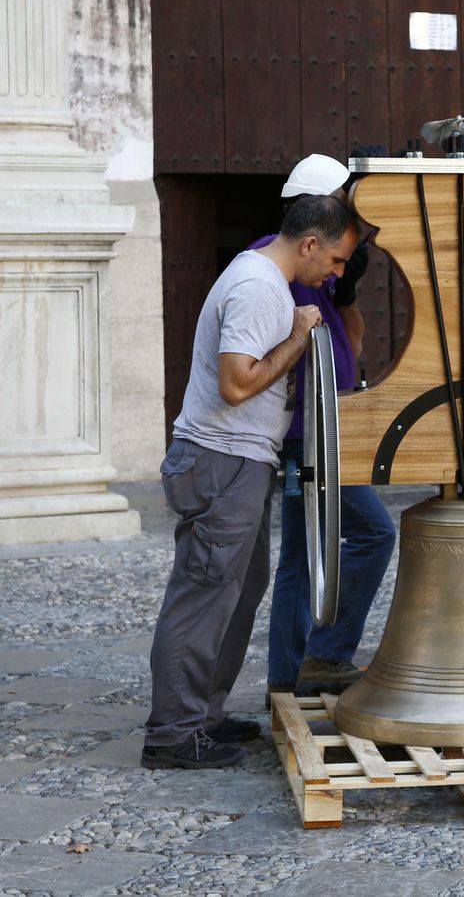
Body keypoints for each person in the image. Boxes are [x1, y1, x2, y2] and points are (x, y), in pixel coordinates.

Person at [142, 190, 359, 769]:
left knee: (237, 590)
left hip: (237, 461)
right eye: (335, 260)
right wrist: (296, 337)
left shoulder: (264, 281)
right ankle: (173, 735)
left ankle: (203, 716)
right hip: (221, 459)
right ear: (309, 244)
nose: (335, 273)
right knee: (204, 596)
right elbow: (237, 384)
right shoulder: (261, 287)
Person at [258, 150, 398, 700]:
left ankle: (285, 678)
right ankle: (327, 654)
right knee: (373, 532)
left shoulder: (326, 268)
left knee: (299, 553)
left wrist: (346, 293)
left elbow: (352, 335)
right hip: (310, 429)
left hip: (326, 419)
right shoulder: (272, 265)